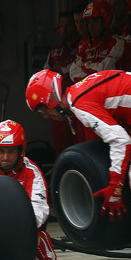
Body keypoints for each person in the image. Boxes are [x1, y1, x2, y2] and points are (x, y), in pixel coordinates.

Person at [26, 69, 131, 260]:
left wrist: (115, 187)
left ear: (51, 98)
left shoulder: (79, 103)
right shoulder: (80, 91)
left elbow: (119, 140)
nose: (46, 115)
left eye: (43, 109)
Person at [0, 120, 56, 260]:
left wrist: (14, 227)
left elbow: (39, 208)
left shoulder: (32, 172)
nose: (5, 157)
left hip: (22, 223)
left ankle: (41, 242)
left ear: (21, 150)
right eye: (1, 151)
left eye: (11, 151)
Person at [44, 11, 83, 155]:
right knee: (62, 148)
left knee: (81, 147)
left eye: (68, 26)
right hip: (59, 106)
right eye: (62, 26)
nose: (65, 29)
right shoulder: (55, 50)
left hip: (79, 105)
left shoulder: (83, 46)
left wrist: (61, 70)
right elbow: (45, 74)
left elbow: (76, 71)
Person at [68, 0, 124, 83]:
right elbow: (73, 72)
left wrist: (84, 66)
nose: (91, 26)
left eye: (95, 21)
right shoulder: (85, 44)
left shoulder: (117, 42)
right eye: (89, 22)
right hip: (90, 91)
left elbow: (106, 71)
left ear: (106, 20)